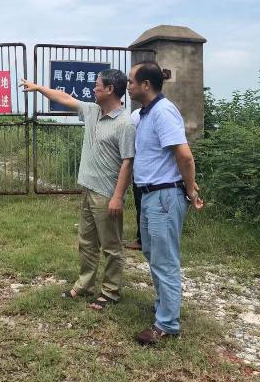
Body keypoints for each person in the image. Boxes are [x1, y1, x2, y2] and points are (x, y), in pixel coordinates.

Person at [21, 69, 135, 310]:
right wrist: (39, 88)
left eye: (97, 85)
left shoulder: (125, 123)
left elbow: (128, 162)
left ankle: (111, 292)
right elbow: (65, 98)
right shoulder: (92, 110)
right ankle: (85, 285)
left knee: (111, 246)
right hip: (88, 188)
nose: (94, 88)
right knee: (86, 242)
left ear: (110, 89)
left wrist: (117, 197)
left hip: (107, 194)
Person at [126, 62, 204, 345]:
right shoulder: (143, 114)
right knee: (152, 252)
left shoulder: (163, 111)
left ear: (146, 85)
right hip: (149, 195)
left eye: (131, 81)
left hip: (164, 196)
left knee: (165, 259)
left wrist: (190, 189)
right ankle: (164, 306)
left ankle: (167, 324)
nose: (128, 86)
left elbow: (184, 156)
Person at [124, 108, 143, 251]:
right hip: (142, 171)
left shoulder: (136, 114)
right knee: (142, 205)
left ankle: (142, 239)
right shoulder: (137, 114)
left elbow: (129, 140)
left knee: (141, 205)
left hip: (142, 171)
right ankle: (144, 238)